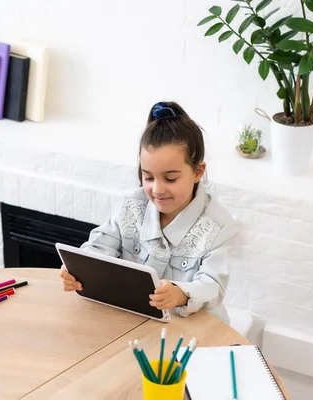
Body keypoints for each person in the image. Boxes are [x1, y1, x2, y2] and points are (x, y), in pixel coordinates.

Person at [59, 101, 238, 323]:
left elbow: (212, 285)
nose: (157, 189)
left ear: (198, 172)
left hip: (191, 329)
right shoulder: (131, 205)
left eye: (170, 178)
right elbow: (99, 248)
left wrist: (181, 293)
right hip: (135, 321)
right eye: (148, 177)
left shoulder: (217, 226)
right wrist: (79, 271)